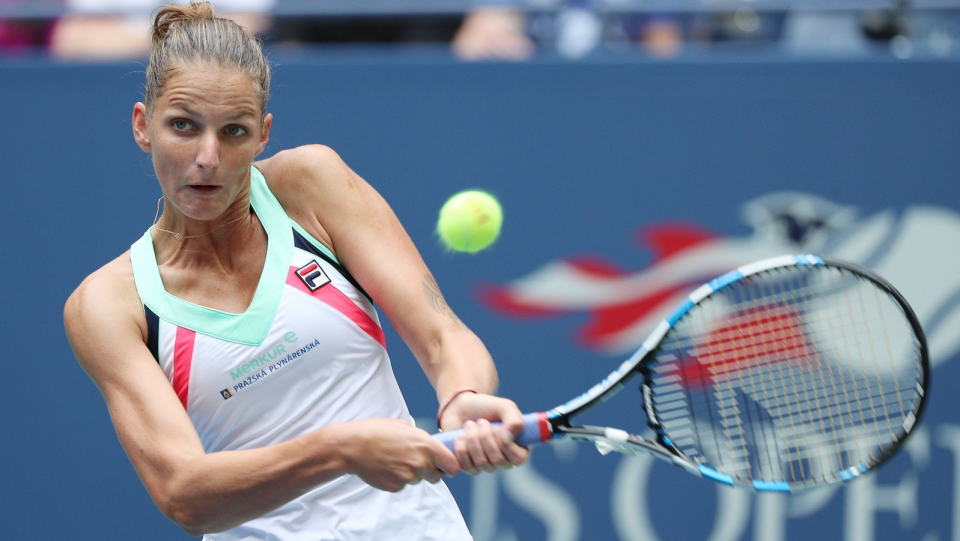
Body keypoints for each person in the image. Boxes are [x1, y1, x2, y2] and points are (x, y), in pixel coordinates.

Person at [62, 2, 529, 539]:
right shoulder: (107, 304)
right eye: (183, 127)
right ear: (144, 126)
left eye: (233, 131)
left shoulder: (312, 185)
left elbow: (444, 337)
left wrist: (463, 397)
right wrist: (340, 450)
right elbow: (183, 492)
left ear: (263, 135)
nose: (208, 157)